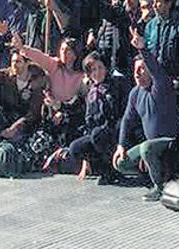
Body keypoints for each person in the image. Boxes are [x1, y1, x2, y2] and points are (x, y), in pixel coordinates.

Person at [113, 27, 179, 202]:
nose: (137, 73)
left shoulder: (161, 87)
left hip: (171, 143)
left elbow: (157, 71)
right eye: (135, 70)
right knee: (121, 163)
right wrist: (121, 145)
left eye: (142, 69)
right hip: (150, 147)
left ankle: (160, 187)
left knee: (146, 148)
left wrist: (143, 49)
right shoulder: (135, 93)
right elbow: (127, 120)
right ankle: (152, 175)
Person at [44, 51, 124, 183]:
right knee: (75, 147)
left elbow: (123, 112)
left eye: (100, 68)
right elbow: (77, 108)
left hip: (114, 131)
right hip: (96, 133)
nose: (97, 72)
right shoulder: (90, 91)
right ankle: (103, 170)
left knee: (98, 135)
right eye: (93, 70)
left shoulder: (117, 85)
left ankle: (114, 168)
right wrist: (58, 106)